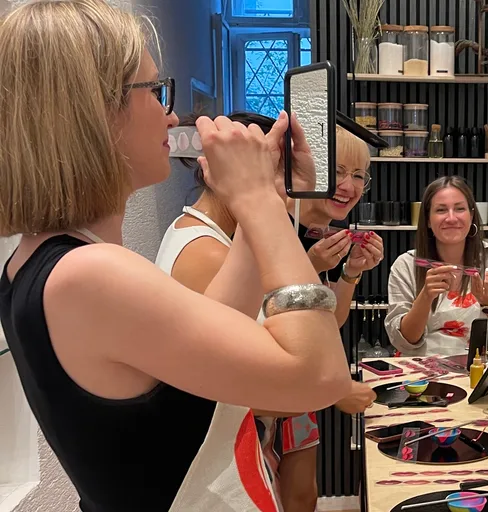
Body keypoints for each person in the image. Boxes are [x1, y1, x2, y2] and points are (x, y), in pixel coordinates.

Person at [0, 1, 351, 511]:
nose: (170, 113)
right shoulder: (88, 274)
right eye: (155, 91)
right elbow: (320, 377)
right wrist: (255, 204)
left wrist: (267, 195)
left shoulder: (44, 263)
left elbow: (207, 352)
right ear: (93, 109)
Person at [158, 114, 381, 512]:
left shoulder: (221, 241)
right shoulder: (205, 253)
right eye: (282, 178)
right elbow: (230, 389)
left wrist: (346, 273)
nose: (297, 192)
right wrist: (337, 391)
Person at [385, 176, 488, 356]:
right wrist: (426, 296)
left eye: (459, 209)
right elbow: (404, 341)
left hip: (481, 368)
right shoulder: (406, 265)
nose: (451, 218)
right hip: (422, 374)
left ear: (471, 215)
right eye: (441, 210)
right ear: (427, 219)